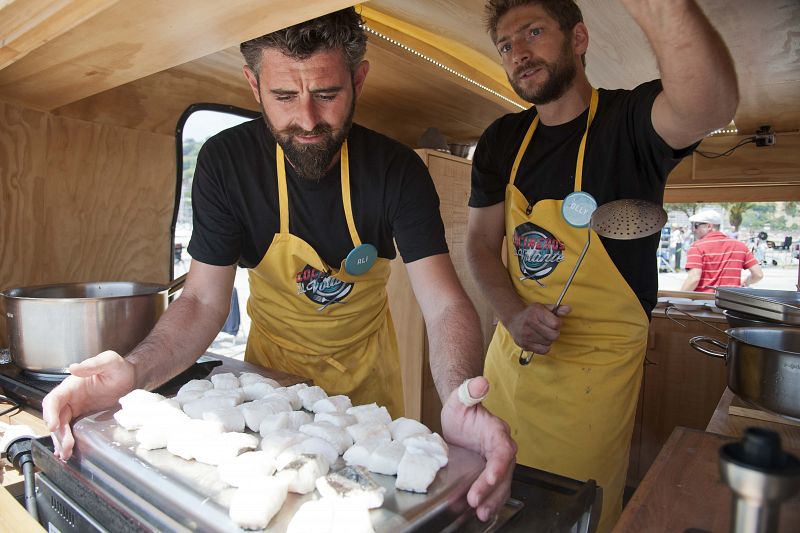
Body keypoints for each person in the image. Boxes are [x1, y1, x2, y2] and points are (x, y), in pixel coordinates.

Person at [42, 9, 515, 521]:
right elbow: (202, 301)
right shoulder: (227, 165)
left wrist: (458, 397)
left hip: (367, 383)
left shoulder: (396, 172)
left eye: (328, 94)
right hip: (270, 379)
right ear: (253, 83)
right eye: (284, 97)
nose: (308, 120)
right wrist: (131, 373)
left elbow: (444, 304)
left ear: (358, 78)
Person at [465, 1, 737, 531]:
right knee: (486, 501)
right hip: (509, 358)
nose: (518, 52)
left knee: (570, 510)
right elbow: (479, 244)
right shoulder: (502, 140)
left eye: (534, 32)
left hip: (597, 372)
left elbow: (710, 105)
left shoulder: (630, 122)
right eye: (505, 45)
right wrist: (514, 314)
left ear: (579, 38)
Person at [680, 209, 763, 292]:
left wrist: (678, 298)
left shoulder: (697, 247)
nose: (694, 230)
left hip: (704, 301)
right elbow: (758, 275)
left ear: (709, 226)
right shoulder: (740, 246)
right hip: (731, 301)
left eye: (696, 225)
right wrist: (746, 282)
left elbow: (693, 278)